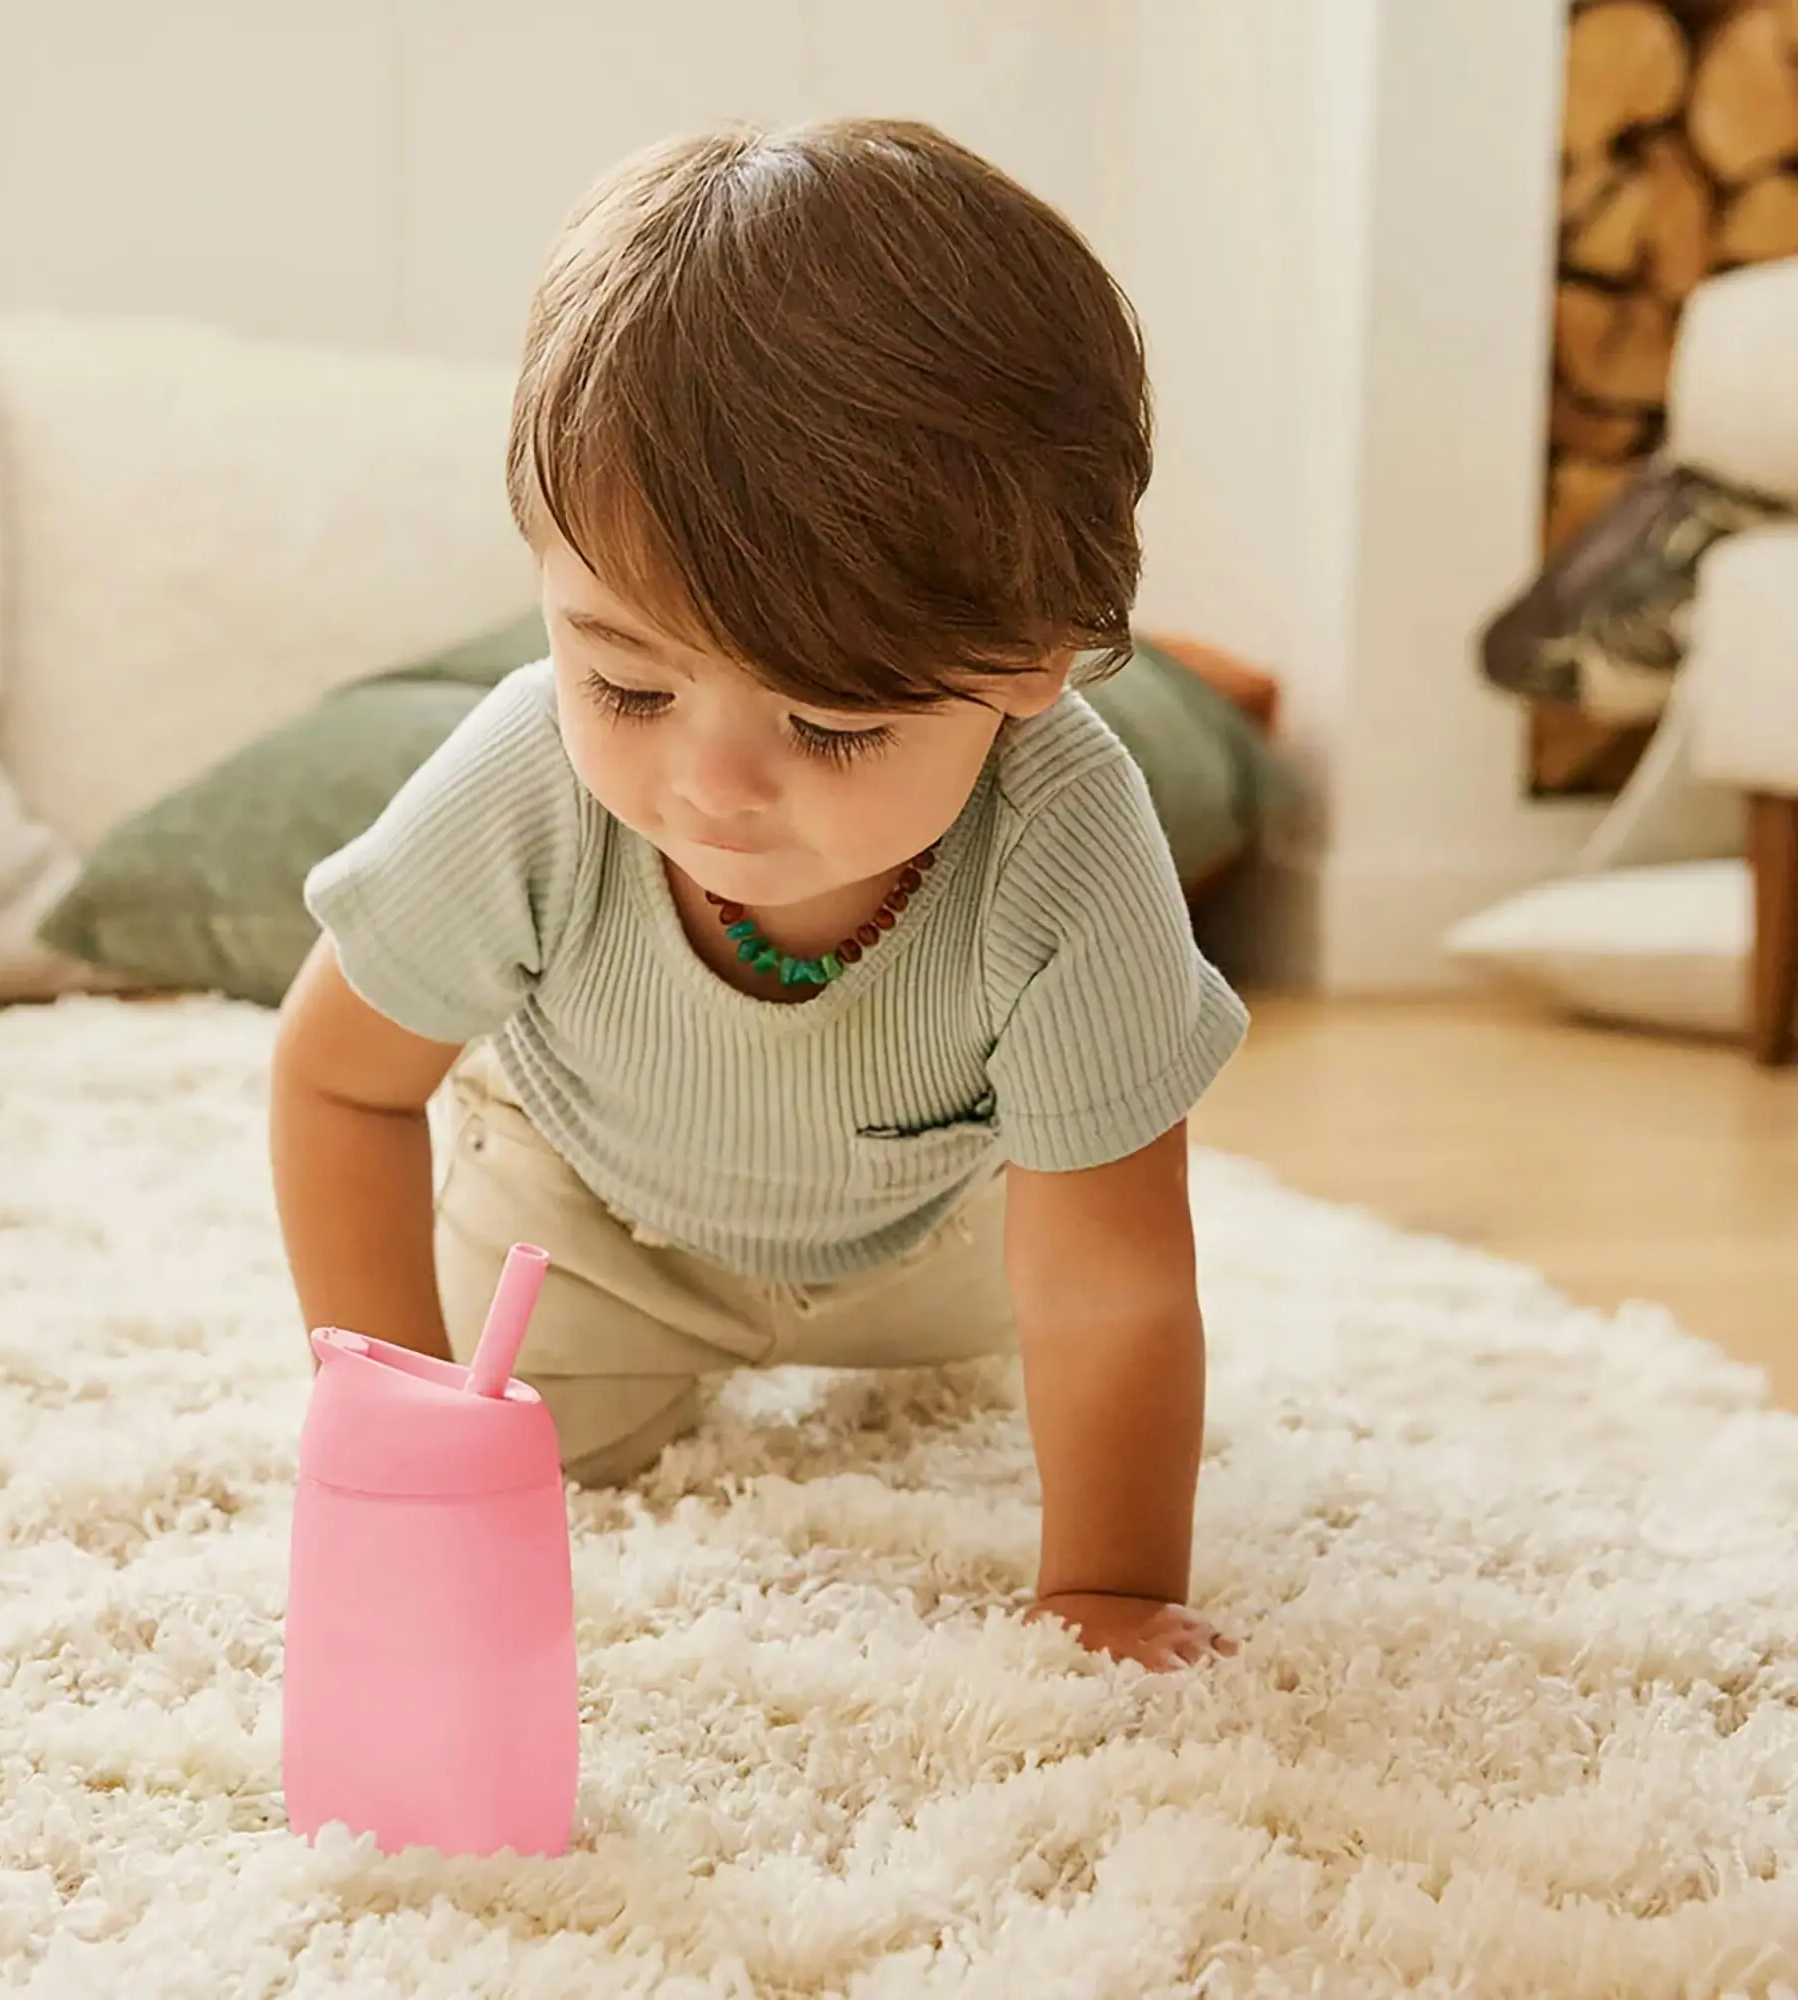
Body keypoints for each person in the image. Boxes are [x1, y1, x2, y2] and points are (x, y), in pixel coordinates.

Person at [270, 118, 1248, 1673]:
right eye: (626, 681)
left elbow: (1112, 1280)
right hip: (589, 1228)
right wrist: (397, 1425)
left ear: (1032, 664)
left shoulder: (1069, 831)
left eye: (833, 723)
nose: (712, 786)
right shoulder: (527, 776)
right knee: (521, 1446)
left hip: (939, 1247)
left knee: (1050, 1341)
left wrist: (1114, 1587)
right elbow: (337, 1084)